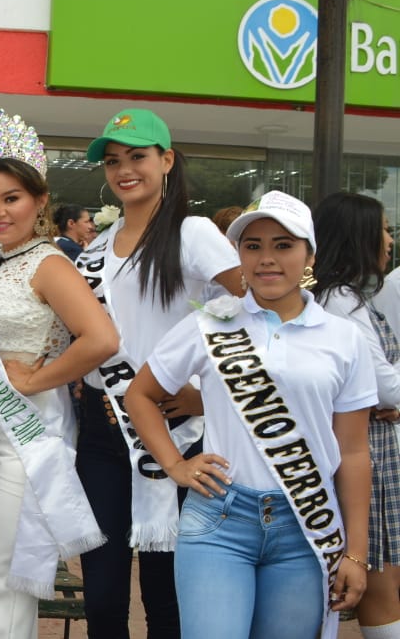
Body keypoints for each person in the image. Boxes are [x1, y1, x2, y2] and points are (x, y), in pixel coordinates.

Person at [125, 190, 373, 639]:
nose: (266, 259)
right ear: (237, 254)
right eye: (252, 246)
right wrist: (175, 465)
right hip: (219, 518)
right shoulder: (210, 323)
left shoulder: (345, 338)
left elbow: (354, 452)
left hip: (305, 523)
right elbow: (140, 395)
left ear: (309, 255)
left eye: (283, 245)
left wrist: (356, 552)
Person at [74, 108, 243, 639]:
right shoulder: (96, 249)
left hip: (180, 432)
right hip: (102, 433)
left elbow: (248, 307)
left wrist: (204, 395)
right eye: (114, 161)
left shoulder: (192, 232)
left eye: (138, 157)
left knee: (167, 593)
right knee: (101, 593)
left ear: (166, 160)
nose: (125, 169)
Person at [0, 110, 118, 638]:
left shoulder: (50, 263)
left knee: (3, 580)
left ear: (40, 201)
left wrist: (34, 379)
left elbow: (102, 339)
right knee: (3, 575)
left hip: (28, 440)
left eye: (11, 199)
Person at [311, 192, 400, 638]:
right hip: (366, 451)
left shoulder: (342, 298)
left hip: (370, 445)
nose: (389, 241)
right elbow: (384, 386)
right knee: (380, 582)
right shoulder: (341, 301)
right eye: (383, 229)